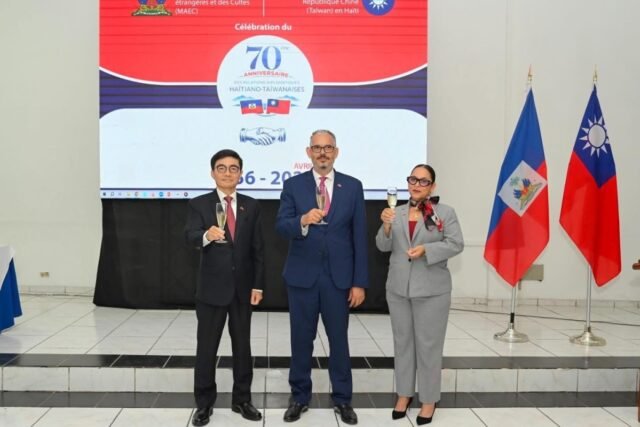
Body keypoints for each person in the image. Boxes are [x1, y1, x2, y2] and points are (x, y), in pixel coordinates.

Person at [275, 129, 368, 425]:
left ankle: (343, 399)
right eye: (317, 148)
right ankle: (299, 397)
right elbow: (281, 226)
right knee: (301, 340)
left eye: (328, 148)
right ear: (309, 152)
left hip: (339, 280)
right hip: (302, 277)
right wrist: (302, 220)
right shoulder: (293, 185)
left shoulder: (352, 186)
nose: (323, 153)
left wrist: (359, 282)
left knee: (339, 341)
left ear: (336, 152)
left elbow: (359, 237)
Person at [376, 164, 463, 425]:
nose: (416, 184)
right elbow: (382, 245)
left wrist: (427, 250)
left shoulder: (444, 212)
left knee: (428, 347)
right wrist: (386, 226)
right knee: (402, 344)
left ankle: (428, 400)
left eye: (423, 181)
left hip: (432, 291)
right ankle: (404, 394)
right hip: (398, 289)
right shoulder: (396, 211)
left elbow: (456, 244)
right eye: (413, 179)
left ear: (432, 186)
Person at [185, 149, 265, 426]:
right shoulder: (198, 204)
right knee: (207, 349)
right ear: (212, 173)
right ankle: (204, 404)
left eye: (233, 168)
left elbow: (258, 249)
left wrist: (258, 286)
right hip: (211, 290)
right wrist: (206, 235)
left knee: (243, 347)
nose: (227, 173)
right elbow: (190, 236)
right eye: (222, 168)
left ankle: (242, 399)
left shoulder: (252, 206)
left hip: (242, 290)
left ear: (241, 173)